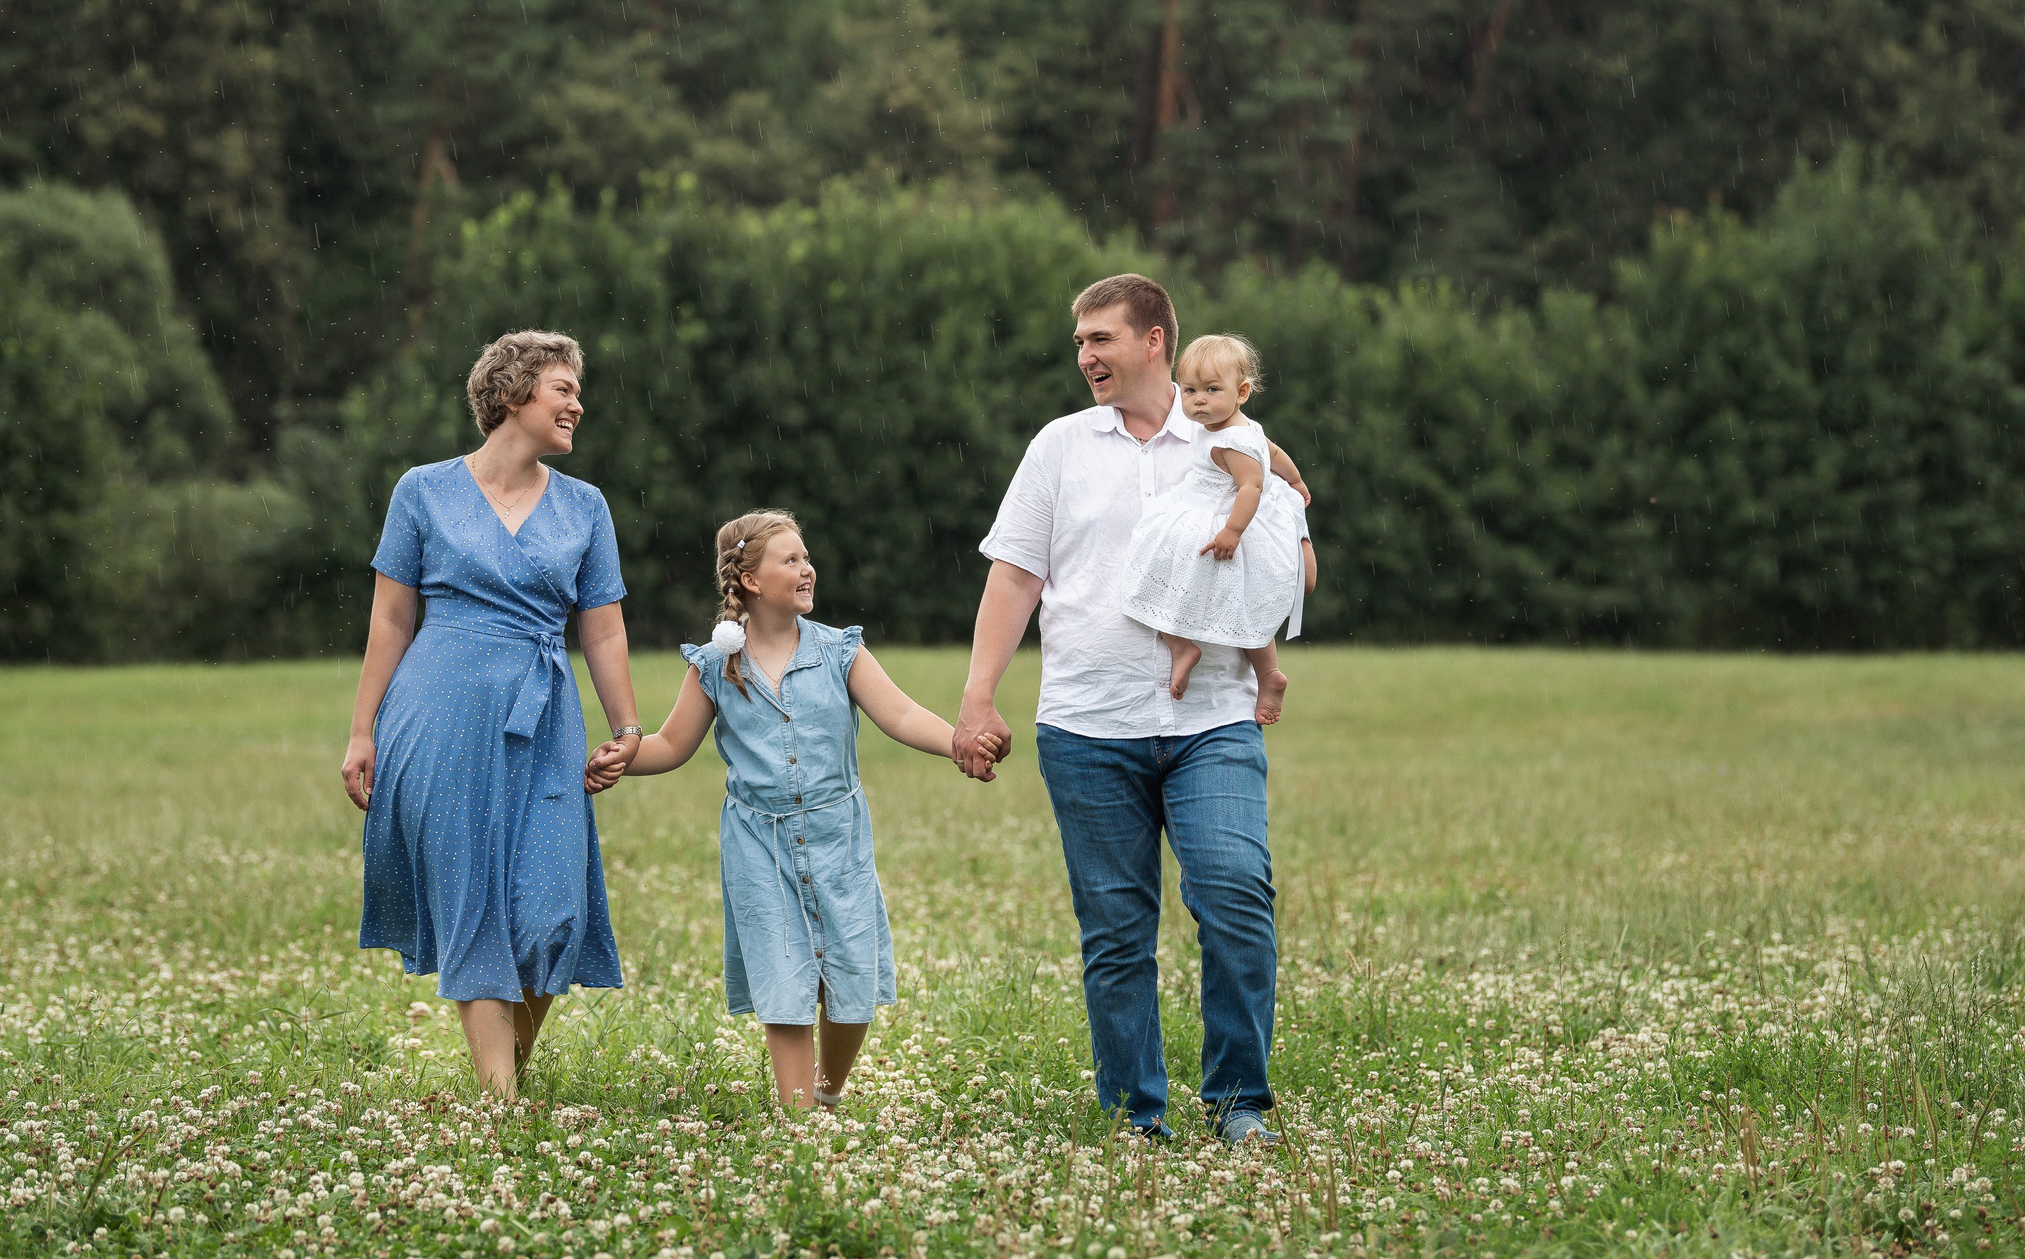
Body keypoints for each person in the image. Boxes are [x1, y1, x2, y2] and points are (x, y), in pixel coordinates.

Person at [953, 274, 1311, 1145]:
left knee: (1233, 893)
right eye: (1078, 342)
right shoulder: (1060, 447)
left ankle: (1239, 1106)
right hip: (1085, 724)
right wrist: (976, 697)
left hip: (1214, 717)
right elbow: (1015, 574)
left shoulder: (1230, 438)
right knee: (1115, 933)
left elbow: (1293, 553)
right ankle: (1134, 1117)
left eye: (1100, 339)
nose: (1085, 357)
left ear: (1154, 340)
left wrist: (1264, 551)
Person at [339, 329, 648, 1099]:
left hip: (544, 718)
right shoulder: (422, 491)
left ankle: (502, 1074)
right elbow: (390, 622)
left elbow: (602, 628)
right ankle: (498, 1107)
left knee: (553, 916)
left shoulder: (585, 508)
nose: (578, 403)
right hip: (435, 712)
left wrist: (627, 728)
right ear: (512, 395)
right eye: (563, 389)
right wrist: (361, 730)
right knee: (470, 899)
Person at [601, 511, 983, 1111]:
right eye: (791, 560)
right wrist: (622, 758)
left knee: (851, 983)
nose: (808, 569)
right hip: (759, 843)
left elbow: (903, 716)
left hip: (838, 837)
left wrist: (956, 743)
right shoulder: (714, 665)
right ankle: (800, 1119)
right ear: (750, 581)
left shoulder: (839, 652)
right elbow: (672, 746)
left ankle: (828, 1094)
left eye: (807, 558)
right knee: (783, 981)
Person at [1119, 332, 1315, 708]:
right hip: (1212, 507)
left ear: (1241, 392)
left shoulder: (1230, 442)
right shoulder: (1244, 428)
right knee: (1247, 599)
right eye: (1190, 391)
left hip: (1221, 516)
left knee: (1152, 571)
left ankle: (1182, 646)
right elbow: (1273, 453)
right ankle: (1267, 672)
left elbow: (1250, 488)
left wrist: (1232, 531)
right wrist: (1295, 478)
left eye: (1211, 389)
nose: (1199, 400)